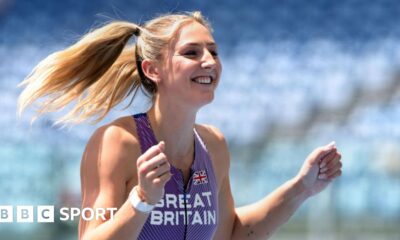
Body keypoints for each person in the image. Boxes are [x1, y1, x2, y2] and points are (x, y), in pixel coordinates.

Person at [17, 11, 342, 240]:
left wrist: (301, 188)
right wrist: (142, 199)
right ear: (153, 70)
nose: (210, 61)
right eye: (192, 52)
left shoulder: (213, 145)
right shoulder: (117, 142)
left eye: (214, 52)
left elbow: (230, 234)